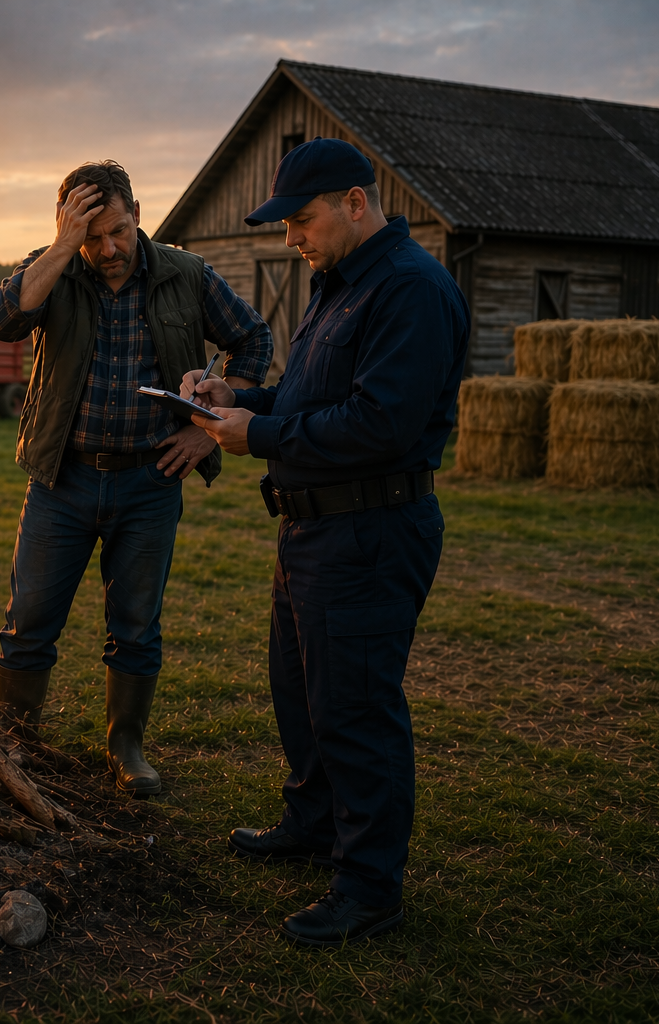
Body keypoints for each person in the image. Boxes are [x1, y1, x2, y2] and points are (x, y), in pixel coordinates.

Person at [187, 138, 468, 945]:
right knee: (302, 692)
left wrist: (261, 432)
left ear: (354, 202)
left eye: (300, 221)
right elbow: (313, 397)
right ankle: (314, 826)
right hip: (315, 525)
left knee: (355, 707)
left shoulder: (411, 290)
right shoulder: (338, 284)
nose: (290, 240)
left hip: (371, 529)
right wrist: (236, 395)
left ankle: (369, 886)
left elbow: (382, 424)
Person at [0, 160, 272, 796]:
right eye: (90, 236)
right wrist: (61, 247)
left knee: (136, 624)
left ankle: (125, 745)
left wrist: (205, 429)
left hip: (149, 481)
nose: (107, 249)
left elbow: (253, 342)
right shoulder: (54, 268)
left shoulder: (186, 274)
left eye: (116, 231)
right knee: (29, 619)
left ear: (138, 215)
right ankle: (16, 743)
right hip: (63, 480)